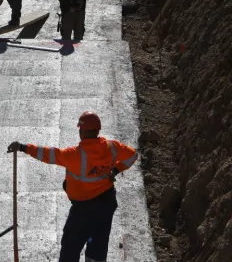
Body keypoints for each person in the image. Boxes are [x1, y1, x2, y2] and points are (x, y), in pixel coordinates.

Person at [7, 112, 138, 262]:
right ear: (98, 131)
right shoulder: (112, 147)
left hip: (83, 211)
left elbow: (48, 154)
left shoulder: (73, 155)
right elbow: (132, 155)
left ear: (81, 132)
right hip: (105, 206)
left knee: (71, 247)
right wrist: (115, 170)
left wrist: (23, 147)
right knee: (97, 245)